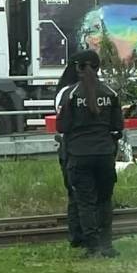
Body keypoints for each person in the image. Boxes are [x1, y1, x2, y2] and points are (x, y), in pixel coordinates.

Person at [57, 50, 124, 258]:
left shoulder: (70, 94)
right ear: (98, 67)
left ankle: (92, 247)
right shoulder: (111, 93)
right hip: (104, 154)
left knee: (85, 201)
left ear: (77, 68)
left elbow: (62, 126)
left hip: (78, 154)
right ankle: (107, 246)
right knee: (105, 200)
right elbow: (117, 126)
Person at [54, 59, 82, 247]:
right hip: (98, 148)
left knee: (74, 194)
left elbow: (61, 123)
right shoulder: (105, 91)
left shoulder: (64, 93)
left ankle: (76, 236)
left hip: (70, 147)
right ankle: (97, 237)